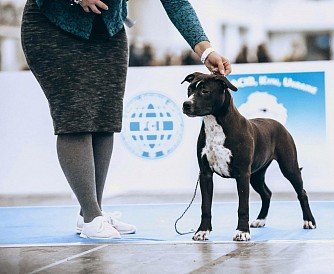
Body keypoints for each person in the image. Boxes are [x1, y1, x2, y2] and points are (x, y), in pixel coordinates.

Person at [21, 0, 232, 239]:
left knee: (105, 118)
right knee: (75, 117)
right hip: (53, 30)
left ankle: (90, 213)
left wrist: (205, 50)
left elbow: (177, 3)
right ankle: (92, 217)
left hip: (109, 34)